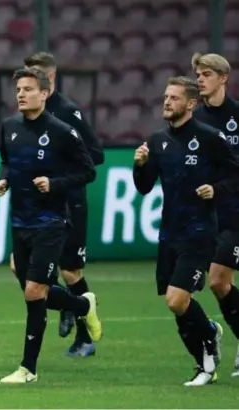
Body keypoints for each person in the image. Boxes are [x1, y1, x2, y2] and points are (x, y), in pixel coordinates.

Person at [0, 68, 101, 384]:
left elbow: (88, 172)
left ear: (44, 93)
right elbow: (6, 161)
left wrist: (55, 184)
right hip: (19, 221)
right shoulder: (9, 127)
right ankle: (82, 303)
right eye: (18, 89)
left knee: (34, 291)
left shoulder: (62, 131)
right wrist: (3, 179)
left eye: (28, 89)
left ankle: (28, 369)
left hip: (51, 221)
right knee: (32, 290)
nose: (21, 94)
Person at [132, 76, 239, 386]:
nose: (167, 102)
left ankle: (206, 362)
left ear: (191, 104)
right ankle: (207, 346)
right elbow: (143, 187)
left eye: (174, 98)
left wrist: (215, 189)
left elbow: (235, 176)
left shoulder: (210, 138)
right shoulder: (157, 141)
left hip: (200, 232)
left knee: (177, 301)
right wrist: (139, 165)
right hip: (169, 234)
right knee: (176, 305)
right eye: (166, 97)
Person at [22, 52, 104, 356]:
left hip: (68, 202)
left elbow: (95, 154)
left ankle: (84, 334)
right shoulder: (27, 117)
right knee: (24, 268)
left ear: (50, 79)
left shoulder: (68, 112)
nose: (25, 84)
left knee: (70, 272)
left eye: (34, 76)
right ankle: (69, 306)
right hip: (35, 207)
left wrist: (58, 172)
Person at [191, 52, 239, 377]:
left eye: (206, 74)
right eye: (197, 75)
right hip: (211, 214)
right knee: (219, 283)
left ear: (223, 78)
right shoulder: (196, 119)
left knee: (219, 279)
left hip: (236, 210)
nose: (200, 80)